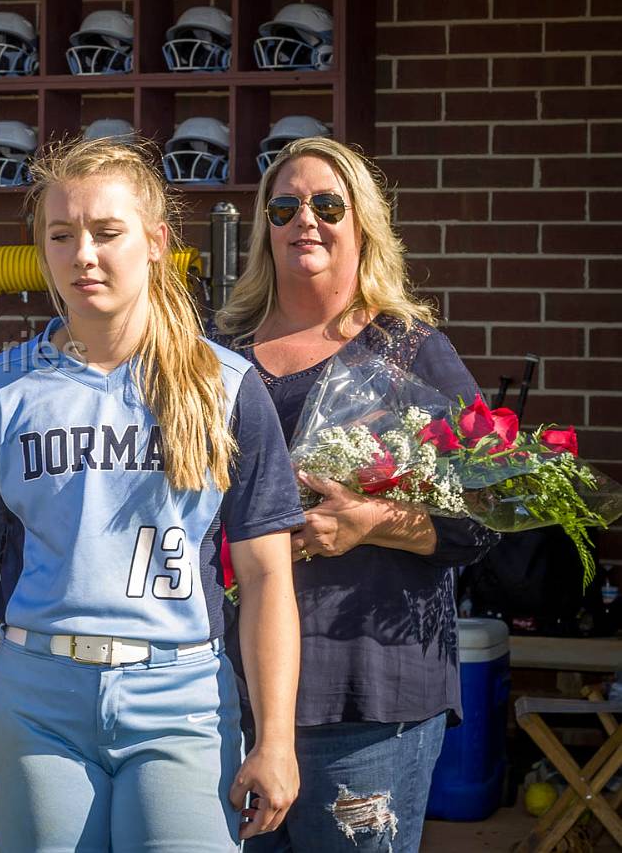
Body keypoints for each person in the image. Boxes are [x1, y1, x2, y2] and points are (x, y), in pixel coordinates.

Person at [0, 136, 303, 851]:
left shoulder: (228, 387)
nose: (82, 254)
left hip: (182, 696)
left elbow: (267, 574)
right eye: (61, 235)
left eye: (106, 232)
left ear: (156, 242)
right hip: (36, 698)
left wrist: (276, 736)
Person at [211, 137, 499, 852]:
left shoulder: (409, 349)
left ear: (362, 222)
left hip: (367, 689)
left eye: (326, 204)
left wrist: (370, 521)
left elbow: (486, 514)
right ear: (264, 227)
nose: (304, 219)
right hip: (225, 685)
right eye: (284, 206)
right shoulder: (215, 349)